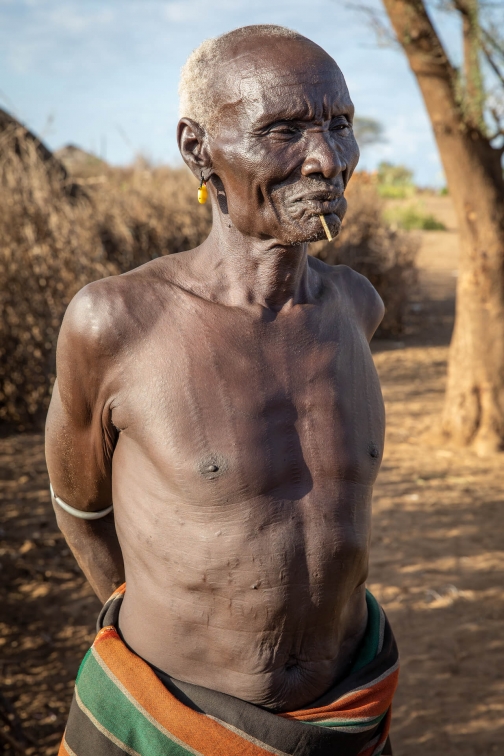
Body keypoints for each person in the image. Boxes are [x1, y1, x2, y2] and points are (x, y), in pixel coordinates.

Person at [45, 25, 398, 756]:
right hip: (166, 721)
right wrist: (161, 636)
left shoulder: (356, 309)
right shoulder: (116, 322)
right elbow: (80, 507)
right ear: (197, 150)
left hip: (347, 714)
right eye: (283, 130)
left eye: (340, 126)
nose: (327, 160)